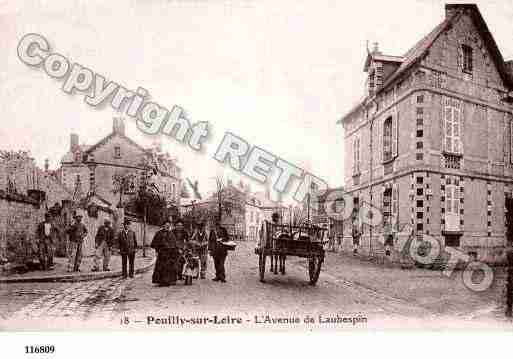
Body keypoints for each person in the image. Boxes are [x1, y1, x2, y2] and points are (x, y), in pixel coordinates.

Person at [151, 220, 180, 286]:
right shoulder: (158, 233)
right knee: (160, 267)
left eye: (168, 225)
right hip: (161, 253)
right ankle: (160, 281)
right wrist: (156, 251)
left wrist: (175, 251)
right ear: (163, 225)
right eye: (166, 225)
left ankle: (168, 281)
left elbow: (174, 244)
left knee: (169, 267)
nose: (167, 226)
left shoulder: (171, 234)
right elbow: (155, 243)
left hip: (169, 254)